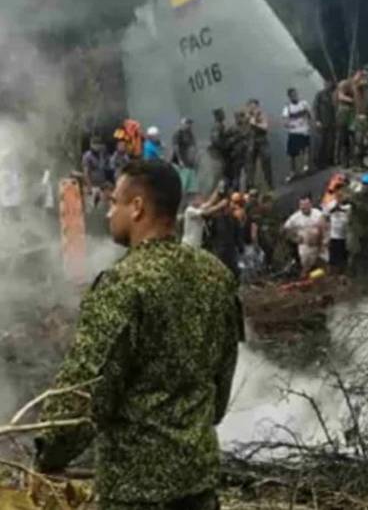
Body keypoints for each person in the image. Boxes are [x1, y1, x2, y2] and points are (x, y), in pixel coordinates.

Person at [34, 158, 242, 510]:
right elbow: (221, 386)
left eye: (114, 202)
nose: (108, 212)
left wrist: (49, 453)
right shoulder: (217, 276)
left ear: (137, 207)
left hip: (137, 495)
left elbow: (86, 386)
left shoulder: (124, 283)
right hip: (198, 486)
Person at [284, 195, 326, 274]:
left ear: (311, 204)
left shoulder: (317, 214)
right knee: (306, 267)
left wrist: (323, 242)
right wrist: (294, 238)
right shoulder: (295, 217)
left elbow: (324, 227)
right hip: (305, 245)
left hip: (318, 244)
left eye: (306, 204)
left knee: (322, 265)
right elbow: (286, 228)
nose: (304, 207)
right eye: (302, 205)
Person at [282, 87, 314, 181]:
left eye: (295, 94)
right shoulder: (287, 107)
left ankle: (306, 167)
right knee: (292, 154)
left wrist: (312, 123)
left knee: (306, 149)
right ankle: (293, 171)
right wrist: (288, 124)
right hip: (294, 132)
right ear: (289, 97)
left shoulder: (304, 104)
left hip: (304, 131)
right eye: (292, 95)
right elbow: (285, 121)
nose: (294, 96)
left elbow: (311, 114)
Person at [244, 99, 272, 190]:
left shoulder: (262, 115)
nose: (252, 109)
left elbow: (265, 127)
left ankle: (269, 184)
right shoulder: (247, 117)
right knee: (250, 166)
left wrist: (255, 123)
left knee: (266, 163)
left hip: (262, 142)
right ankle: (250, 186)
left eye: (254, 107)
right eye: (250, 107)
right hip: (251, 143)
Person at [171, 117, 200, 196]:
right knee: (182, 180)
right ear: (183, 124)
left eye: (190, 124)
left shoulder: (190, 133)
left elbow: (194, 145)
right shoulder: (178, 133)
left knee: (190, 180)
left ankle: (189, 194)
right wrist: (180, 160)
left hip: (189, 160)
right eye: (188, 123)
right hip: (179, 161)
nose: (190, 125)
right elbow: (176, 147)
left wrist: (195, 156)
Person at [313, 76, 337, 169]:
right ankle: (318, 162)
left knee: (329, 143)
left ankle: (327, 161)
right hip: (322, 122)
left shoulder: (332, 95)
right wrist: (317, 120)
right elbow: (315, 107)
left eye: (330, 84)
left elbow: (333, 109)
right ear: (325, 84)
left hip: (330, 123)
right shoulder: (320, 95)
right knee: (320, 143)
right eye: (328, 84)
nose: (329, 85)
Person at [81, 136, 110, 210]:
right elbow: (86, 172)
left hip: (101, 186)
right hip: (91, 186)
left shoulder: (102, 155)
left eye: (98, 144)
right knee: (90, 209)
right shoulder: (87, 156)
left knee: (101, 209)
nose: (97, 146)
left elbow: (104, 169)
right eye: (95, 144)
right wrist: (89, 186)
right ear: (91, 145)